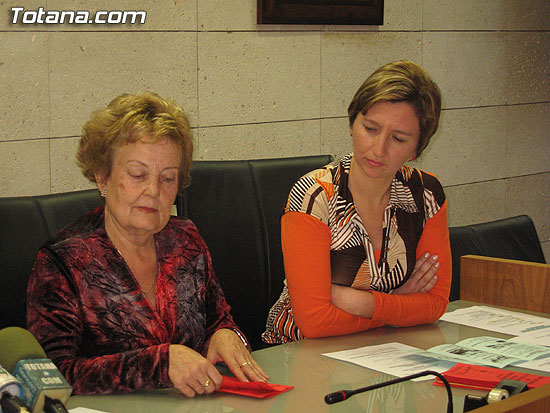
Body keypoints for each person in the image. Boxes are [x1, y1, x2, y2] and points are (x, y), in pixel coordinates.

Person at [26, 92, 268, 396]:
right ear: (103, 177)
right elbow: (54, 374)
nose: (153, 190)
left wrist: (226, 335)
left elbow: (218, 320)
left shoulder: (185, 241)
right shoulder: (62, 261)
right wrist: (159, 363)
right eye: (138, 174)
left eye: (168, 178)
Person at [262, 60, 451, 344]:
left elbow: (435, 303)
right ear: (353, 124)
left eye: (398, 138)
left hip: (381, 350)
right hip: (298, 352)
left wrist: (365, 303)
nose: (378, 149)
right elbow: (315, 322)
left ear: (417, 148)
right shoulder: (314, 195)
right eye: (370, 129)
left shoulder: (425, 194)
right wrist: (399, 303)